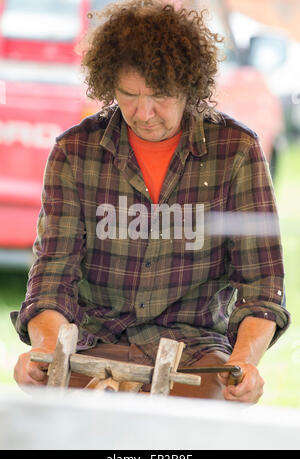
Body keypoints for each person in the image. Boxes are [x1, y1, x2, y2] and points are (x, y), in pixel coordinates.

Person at [11, 0, 290, 403]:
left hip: (194, 356)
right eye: (129, 94)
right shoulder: (75, 152)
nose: (144, 113)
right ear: (109, 84)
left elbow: (261, 286)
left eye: (160, 95)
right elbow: (52, 279)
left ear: (189, 85)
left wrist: (244, 363)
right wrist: (46, 354)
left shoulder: (235, 151)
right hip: (93, 349)